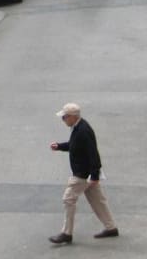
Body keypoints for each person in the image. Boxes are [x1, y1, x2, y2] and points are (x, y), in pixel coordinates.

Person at [48, 102, 119, 245]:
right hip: (87, 173)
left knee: (68, 199)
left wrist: (94, 175)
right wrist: (60, 146)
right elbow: (75, 146)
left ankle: (66, 233)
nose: (63, 120)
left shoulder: (83, 131)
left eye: (64, 117)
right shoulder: (78, 127)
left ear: (73, 117)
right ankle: (111, 227)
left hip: (82, 174)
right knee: (98, 201)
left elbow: (93, 153)